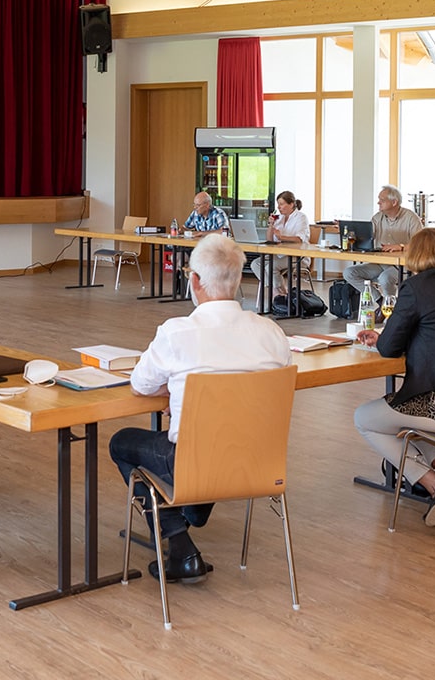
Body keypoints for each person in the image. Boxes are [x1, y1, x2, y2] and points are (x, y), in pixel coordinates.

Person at [111, 234, 291, 583]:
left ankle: (179, 544)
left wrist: (175, 390)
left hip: (195, 460)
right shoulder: (271, 333)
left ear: (194, 281)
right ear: (239, 279)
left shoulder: (178, 332)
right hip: (259, 461)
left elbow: (141, 385)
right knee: (205, 446)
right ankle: (191, 508)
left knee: (121, 442)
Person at [351, 228, 435, 527]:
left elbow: (389, 349)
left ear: (415, 255)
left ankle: (432, 484)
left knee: (366, 418)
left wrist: (381, 338)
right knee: (409, 417)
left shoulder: (416, 287)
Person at [341, 184, 423, 300]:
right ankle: (379, 301)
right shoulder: (377, 217)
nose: (378, 203)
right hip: (379, 263)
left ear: (394, 202)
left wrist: (401, 246)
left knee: (385, 279)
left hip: (401, 265)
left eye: (382, 200)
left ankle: (392, 306)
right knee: (349, 273)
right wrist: (349, 231)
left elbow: (421, 244)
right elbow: (366, 237)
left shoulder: (411, 218)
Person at [248, 190, 310, 302]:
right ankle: (279, 291)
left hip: (298, 256)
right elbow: (269, 239)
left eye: (281, 204)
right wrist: (271, 225)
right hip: (280, 254)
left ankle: (278, 293)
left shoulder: (301, 218)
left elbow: (299, 239)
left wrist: (282, 237)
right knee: (255, 264)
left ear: (291, 204)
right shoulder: (279, 218)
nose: (279, 207)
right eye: (278, 204)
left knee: (271, 266)